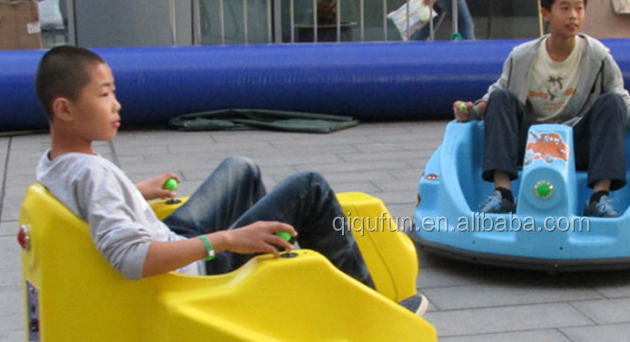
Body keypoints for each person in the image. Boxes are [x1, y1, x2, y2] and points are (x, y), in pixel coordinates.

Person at [32, 45, 427, 313]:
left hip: (168, 237)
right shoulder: (93, 173)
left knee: (240, 167)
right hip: (193, 269)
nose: (117, 104)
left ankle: (269, 287)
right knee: (310, 188)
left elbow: (96, 211)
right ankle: (368, 310)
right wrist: (228, 240)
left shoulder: (56, 164)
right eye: (104, 95)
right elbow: (131, 259)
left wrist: (135, 193)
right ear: (65, 108)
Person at [451, 0, 630, 218]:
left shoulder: (598, 56)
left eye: (579, 8)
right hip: (531, 142)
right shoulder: (521, 56)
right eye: (564, 8)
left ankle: (599, 197)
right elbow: (494, 96)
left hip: (576, 142)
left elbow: (623, 102)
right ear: (546, 13)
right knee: (502, 97)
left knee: (612, 102)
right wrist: (473, 111)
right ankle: (502, 194)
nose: (573, 16)